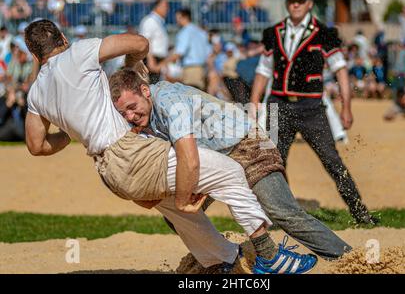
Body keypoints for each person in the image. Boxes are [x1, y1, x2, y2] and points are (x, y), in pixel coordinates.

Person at [23, 19, 317, 274]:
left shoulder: (36, 93)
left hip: (110, 174)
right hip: (132, 154)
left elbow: (36, 145)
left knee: (177, 208)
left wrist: (73, 133)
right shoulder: (79, 51)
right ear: (62, 38)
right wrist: (132, 64)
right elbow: (139, 42)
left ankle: (222, 260)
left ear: (35, 56)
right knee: (230, 171)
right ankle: (269, 256)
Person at [109, 74, 353, 260]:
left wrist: (184, 197)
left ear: (145, 91)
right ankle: (226, 260)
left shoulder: (168, 100)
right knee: (177, 217)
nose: (130, 116)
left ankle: (348, 258)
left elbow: (189, 159)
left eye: (132, 107)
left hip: (248, 147)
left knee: (282, 212)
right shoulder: (143, 121)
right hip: (215, 163)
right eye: (123, 113)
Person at [250, 0, 378, 225]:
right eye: (292, 1)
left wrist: (346, 107)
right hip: (278, 104)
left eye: (300, 0)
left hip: (311, 107)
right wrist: (255, 101)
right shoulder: (274, 32)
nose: (296, 4)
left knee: (331, 160)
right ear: (288, 4)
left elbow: (340, 70)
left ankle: (360, 212)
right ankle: (283, 214)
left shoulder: (325, 32)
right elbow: (263, 70)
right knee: (272, 162)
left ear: (309, 3)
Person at [162, 8, 209, 90]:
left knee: (192, 98)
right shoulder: (200, 31)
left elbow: (178, 53)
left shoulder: (185, 32)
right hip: (202, 68)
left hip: (191, 69)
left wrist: (161, 64)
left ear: (185, 17)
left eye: (178, 18)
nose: (177, 21)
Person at [138, 0, 169, 84]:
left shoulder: (159, 22)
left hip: (158, 60)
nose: (167, 8)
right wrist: (151, 61)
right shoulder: (150, 21)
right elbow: (146, 42)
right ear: (157, 6)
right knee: (151, 87)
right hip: (152, 59)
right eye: (165, 6)